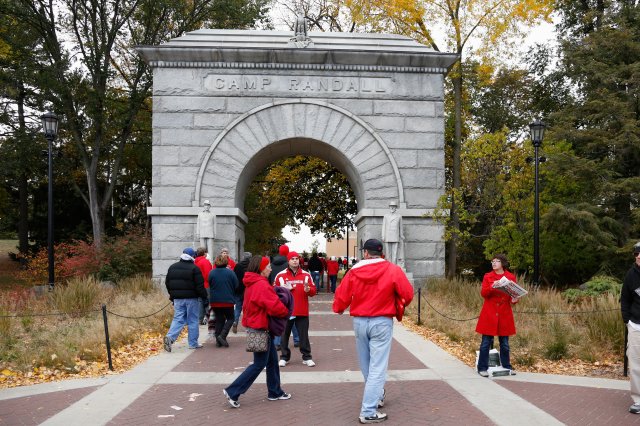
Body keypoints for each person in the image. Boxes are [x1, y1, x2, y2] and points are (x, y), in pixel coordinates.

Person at [333, 239, 414, 424]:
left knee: (366, 364)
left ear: (366, 253)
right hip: (381, 321)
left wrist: (338, 308)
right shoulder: (392, 269)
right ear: (380, 252)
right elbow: (407, 294)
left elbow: (342, 295)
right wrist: (398, 304)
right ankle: (368, 410)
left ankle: (375, 397)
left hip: (360, 321)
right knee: (378, 367)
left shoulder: (354, 271)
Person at [223, 256, 291, 408]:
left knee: (272, 361)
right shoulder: (261, 284)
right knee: (259, 364)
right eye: (268, 266)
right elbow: (274, 306)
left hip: (257, 326)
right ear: (260, 268)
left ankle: (275, 392)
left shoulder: (252, 282)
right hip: (261, 328)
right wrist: (285, 311)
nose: (270, 268)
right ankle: (233, 391)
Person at [475, 254, 518, 378]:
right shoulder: (488, 276)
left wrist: (515, 298)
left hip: (504, 313)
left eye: (497, 261)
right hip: (490, 312)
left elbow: (512, 297)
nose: (494, 263)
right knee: (485, 342)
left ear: (503, 263)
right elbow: (483, 293)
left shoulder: (510, 277)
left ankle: (506, 367)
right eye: (492, 261)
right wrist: (492, 286)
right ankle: (482, 368)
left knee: (504, 343)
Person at [275, 251, 317, 367]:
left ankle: (307, 357)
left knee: (303, 336)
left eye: (297, 258)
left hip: (302, 310)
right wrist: (283, 289)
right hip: (286, 311)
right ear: (288, 261)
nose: (295, 260)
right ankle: (284, 357)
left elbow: (313, 291)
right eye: (292, 258)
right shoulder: (280, 275)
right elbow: (274, 292)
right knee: (284, 335)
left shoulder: (306, 275)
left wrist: (309, 290)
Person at [163, 247, 208, 352]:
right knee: (192, 320)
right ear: (193, 256)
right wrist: (204, 297)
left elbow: (167, 283)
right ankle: (193, 343)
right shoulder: (194, 268)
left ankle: (170, 337)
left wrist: (172, 295)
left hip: (178, 299)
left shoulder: (172, 267)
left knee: (178, 319)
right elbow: (199, 286)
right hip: (192, 299)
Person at [621, 242, 640, 414]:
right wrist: (627, 320)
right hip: (635, 325)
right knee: (635, 364)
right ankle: (638, 400)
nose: (639, 256)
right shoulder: (630, 275)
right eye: (636, 253)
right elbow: (625, 299)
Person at [269, 244, 300, 349]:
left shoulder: (271, 265)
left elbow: (269, 280)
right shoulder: (289, 265)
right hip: (289, 293)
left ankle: (277, 342)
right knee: (292, 316)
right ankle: (297, 339)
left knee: (278, 318)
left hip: (275, 293)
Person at [209, 255, 239, 347]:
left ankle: (218, 341)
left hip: (215, 300)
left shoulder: (212, 272)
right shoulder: (230, 273)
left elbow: (210, 283)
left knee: (219, 319)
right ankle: (222, 336)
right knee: (230, 318)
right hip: (228, 300)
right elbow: (236, 285)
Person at [232, 252, 252, 334]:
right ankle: (247, 327)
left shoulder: (237, 266)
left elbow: (234, 277)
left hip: (238, 289)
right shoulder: (251, 266)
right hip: (248, 289)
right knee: (248, 309)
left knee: (237, 308)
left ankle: (235, 321)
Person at [381, 201, 404, 265]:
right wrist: (383, 236)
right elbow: (384, 226)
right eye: (391, 206)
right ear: (389, 207)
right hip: (387, 236)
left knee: (395, 253)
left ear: (396, 207)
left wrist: (401, 235)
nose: (392, 208)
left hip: (395, 236)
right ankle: (389, 266)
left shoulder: (399, 216)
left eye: (394, 206)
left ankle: (394, 266)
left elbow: (400, 227)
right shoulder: (386, 216)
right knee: (388, 254)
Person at [194, 247, 212, 325]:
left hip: (197, 285)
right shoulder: (205, 262)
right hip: (206, 284)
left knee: (200, 301)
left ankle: (199, 319)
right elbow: (208, 275)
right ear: (204, 253)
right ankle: (209, 318)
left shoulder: (195, 261)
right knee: (207, 301)